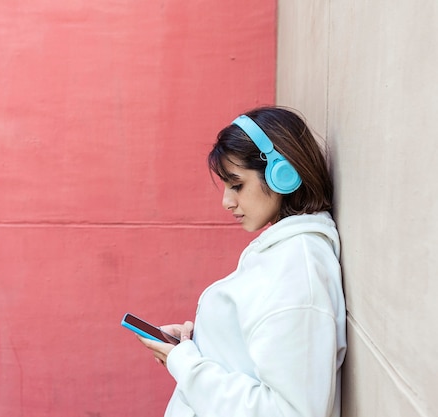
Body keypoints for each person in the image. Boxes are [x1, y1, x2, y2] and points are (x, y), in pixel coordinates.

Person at [136, 106, 347, 417]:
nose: (227, 202)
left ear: (283, 175)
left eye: (237, 185)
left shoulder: (298, 269)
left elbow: (290, 411)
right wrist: (195, 346)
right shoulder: (280, 252)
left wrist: (187, 366)